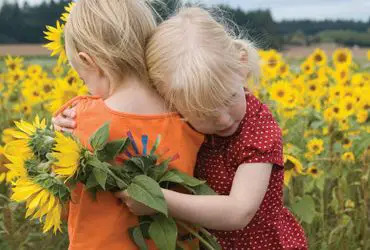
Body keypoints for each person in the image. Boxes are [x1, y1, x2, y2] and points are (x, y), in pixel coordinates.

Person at [54, 6, 308, 250]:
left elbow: (240, 211)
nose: (221, 119)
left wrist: (157, 199)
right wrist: (65, 125)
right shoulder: (176, 113)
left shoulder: (257, 127)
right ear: (170, 100)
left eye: (229, 98)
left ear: (241, 68)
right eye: (204, 112)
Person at [55, 1, 204, 249]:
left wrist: (54, 139)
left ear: (89, 61)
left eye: (84, 79)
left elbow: (61, 197)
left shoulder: (76, 119)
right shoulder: (191, 116)